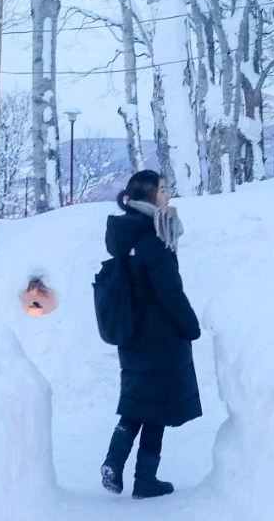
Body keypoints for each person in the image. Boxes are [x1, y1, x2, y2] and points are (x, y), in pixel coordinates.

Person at [100, 169, 202, 499]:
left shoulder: (128, 231)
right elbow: (169, 290)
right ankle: (144, 478)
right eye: (162, 188)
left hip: (132, 332)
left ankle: (115, 463)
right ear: (149, 196)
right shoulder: (154, 236)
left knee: (138, 402)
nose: (168, 193)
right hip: (159, 335)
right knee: (155, 407)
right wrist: (191, 325)